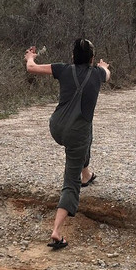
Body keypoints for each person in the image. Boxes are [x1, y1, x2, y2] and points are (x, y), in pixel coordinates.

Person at [24, 39, 111, 250]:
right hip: (75, 134)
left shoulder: (63, 69)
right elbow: (107, 75)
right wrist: (104, 67)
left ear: (72, 57)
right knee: (70, 181)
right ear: (91, 59)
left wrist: (30, 57)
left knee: (87, 131)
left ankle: (87, 174)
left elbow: (31, 68)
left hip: (57, 126)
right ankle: (56, 231)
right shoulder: (98, 74)